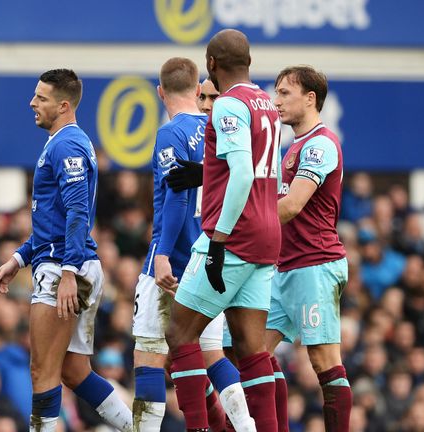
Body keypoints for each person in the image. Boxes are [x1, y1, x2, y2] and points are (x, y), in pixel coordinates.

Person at [0, 69, 132, 432]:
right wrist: (19, 258)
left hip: (63, 269)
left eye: (41, 98)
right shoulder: (63, 141)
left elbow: (78, 212)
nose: (32, 103)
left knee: (43, 370)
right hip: (66, 262)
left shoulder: (67, 144)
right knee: (73, 370)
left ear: (63, 105)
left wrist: (68, 271)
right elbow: (53, 220)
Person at [163, 29, 281, 432]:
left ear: (211, 65)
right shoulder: (266, 101)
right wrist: (206, 173)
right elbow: (265, 169)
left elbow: (244, 173)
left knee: (179, 333)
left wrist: (217, 239)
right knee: (251, 349)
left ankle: (197, 428)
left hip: (234, 236)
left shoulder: (228, 104)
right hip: (267, 236)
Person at [131, 59, 252, 431]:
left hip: (171, 260)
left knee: (148, 355)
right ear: (199, 91)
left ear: (160, 92)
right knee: (212, 354)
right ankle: (247, 426)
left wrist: (164, 254)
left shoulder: (171, 133)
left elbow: (178, 195)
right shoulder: (216, 132)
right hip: (209, 259)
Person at [263, 65, 353, 431]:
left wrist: (239, 224)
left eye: (285, 93)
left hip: (315, 265)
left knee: (323, 361)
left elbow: (291, 206)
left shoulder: (320, 144)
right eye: (276, 92)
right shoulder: (294, 145)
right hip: (284, 268)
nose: (276, 100)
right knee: (250, 352)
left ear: (310, 98)